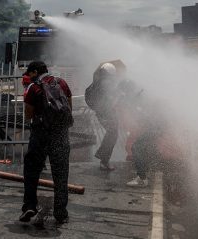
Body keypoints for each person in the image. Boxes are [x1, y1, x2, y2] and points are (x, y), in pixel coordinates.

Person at [19, 61, 73, 224]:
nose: (29, 76)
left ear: (35, 72)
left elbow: (28, 115)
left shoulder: (33, 88)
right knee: (61, 173)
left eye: (30, 73)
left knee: (31, 170)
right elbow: (69, 107)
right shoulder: (61, 82)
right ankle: (60, 212)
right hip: (60, 134)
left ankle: (29, 205)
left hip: (40, 134)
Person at [85, 63, 121, 171]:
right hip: (107, 113)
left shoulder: (96, 81)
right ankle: (103, 160)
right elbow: (111, 99)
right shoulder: (107, 83)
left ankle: (103, 159)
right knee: (113, 133)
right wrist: (119, 95)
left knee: (112, 133)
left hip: (101, 112)